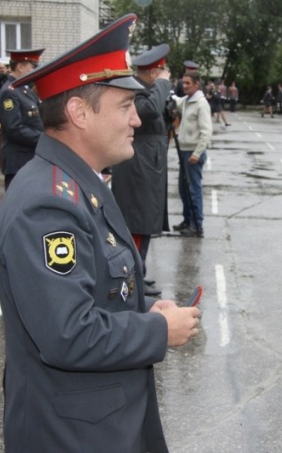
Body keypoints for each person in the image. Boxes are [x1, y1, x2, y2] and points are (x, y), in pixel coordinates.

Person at [0, 14, 201, 452]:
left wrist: (146, 306)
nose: (136, 121)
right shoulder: (46, 204)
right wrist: (158, 331)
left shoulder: (80, 182)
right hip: (70, 435)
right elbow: (68, 334)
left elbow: (99, 286)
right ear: (79, 113)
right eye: (124, 107)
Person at [112, 43, 174, 297]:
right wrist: (161, 86)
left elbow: (160, 116)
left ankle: (140, 271)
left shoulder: (148, 89)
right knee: (137, 223)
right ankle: (133, 278)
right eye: (162, 71)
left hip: (150, 166)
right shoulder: (134, 90)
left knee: (146, 222)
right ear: (154, 72)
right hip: (139, 169)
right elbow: (147, 111)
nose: (166, 75)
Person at [171, 71, 213, 237]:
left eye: (188, 83)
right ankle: (187, 220)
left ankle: (197, 224)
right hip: (184, 151)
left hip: (193, 153)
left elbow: (207, 131)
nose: (184, 86)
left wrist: (197, 153)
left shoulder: (201, 104)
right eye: (183, 83)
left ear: (197, 84)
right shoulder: (187, 101)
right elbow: (177, 101)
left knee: (194, 190)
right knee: (184, 189)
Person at [0, 48, 45, 189]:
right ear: (20, 66)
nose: (35, 70)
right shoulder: (9, 92)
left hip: (28, 157)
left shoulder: (24, 89)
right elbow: (14, 127)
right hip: (17, 159)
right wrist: (42, 138)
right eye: (32, 67)